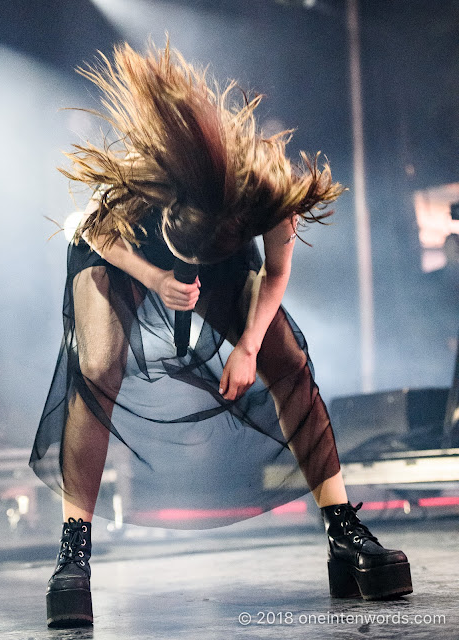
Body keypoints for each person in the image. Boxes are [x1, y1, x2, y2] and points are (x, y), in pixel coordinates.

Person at [29, 39, 412, 628]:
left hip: (216, 248)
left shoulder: (266, 190)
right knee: (101, 363)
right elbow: (97, 233)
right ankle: (72, 553)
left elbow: (278, 272)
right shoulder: (144, 178)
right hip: (122, 252)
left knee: (287, 357)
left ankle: (344, 532)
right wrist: (157, 275)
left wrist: (249, 347)